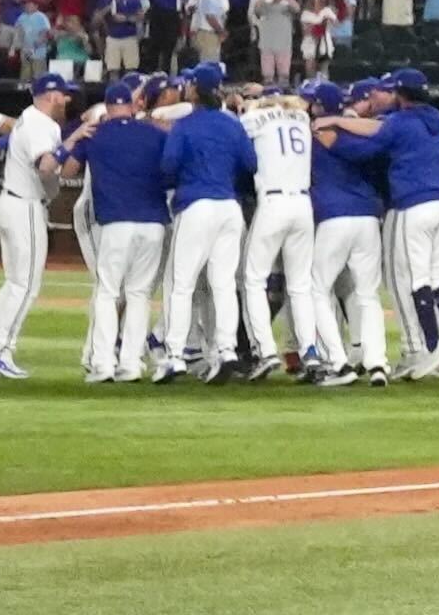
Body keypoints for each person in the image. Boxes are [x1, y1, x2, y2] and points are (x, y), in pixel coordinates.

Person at [156, 64, 255, 382]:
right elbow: (251, 164)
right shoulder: (232, 124)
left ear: (195, 90)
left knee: (180, 283)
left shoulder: (185, 125)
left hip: (196, 205)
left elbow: (168, 165)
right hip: (229, 206)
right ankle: (226, 351)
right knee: (223, 283)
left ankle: (174, 355)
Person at [79, 76, 172, 383]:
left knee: (107, 292)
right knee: (139, 294)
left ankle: (103, 363)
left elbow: (65, 168)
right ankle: (131, 364)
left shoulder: (95, 134)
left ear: (107, 106)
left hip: (116, 222)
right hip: (154, 221)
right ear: (133, 106)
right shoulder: (154, 133)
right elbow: (171, 169)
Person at [303, 80, 395, 385]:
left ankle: (338, 362)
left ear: (317, 107)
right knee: (367, 294)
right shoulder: (355, 131)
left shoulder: (313, 136)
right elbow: (377, 141)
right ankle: (377, 363)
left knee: (317, 289)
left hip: (334, 217)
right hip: (368, 217)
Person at [381, 69, 439, 371]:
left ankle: (432, 348)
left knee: (418, 278)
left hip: (415, 203)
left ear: (401, 94)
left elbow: (371, 143)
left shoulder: (400, 122)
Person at [0, 76, 66, 379]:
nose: (66, 100)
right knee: (25, 284)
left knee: (14, 282)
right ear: (49, 95)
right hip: (24, 206)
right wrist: (73, 143)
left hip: (12, 202)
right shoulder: (38, 123)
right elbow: (45, 165)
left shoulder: (32, 120)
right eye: (62, 94)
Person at [240, 78, 317, 379]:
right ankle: (310, 350)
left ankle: (265, 350)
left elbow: (237, 133)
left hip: (273, 203)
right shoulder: (301, 117)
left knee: (253, 280)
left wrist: (247, 107)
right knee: (300, 285)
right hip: (303, 205)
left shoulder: (256, 117)